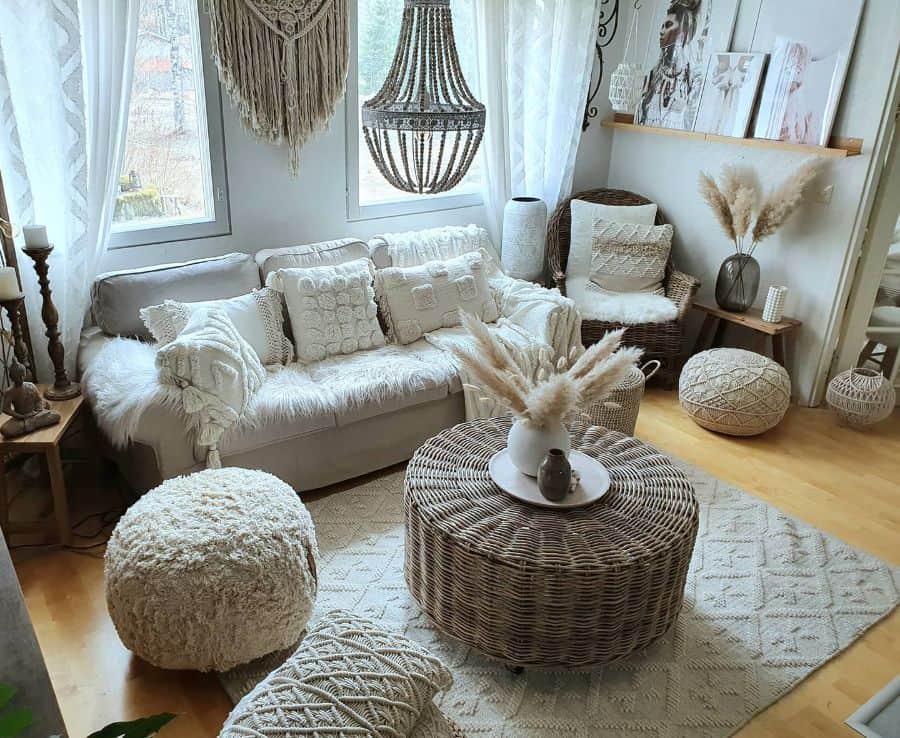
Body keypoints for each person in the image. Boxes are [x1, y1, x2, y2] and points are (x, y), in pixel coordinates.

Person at [1, 360, 60, 438]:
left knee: (56, 415)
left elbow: (38, 400)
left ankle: (31, 424)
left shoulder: (31, 386)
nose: (21, 378)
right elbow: (6, 409)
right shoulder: (10, 392)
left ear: (24, 374)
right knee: (5, 430)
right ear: (12, 378)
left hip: (35, 414)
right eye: (18, 376)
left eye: (22, 375)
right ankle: (33, 423)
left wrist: (37, 410)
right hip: (21, 418)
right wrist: (19, 416)